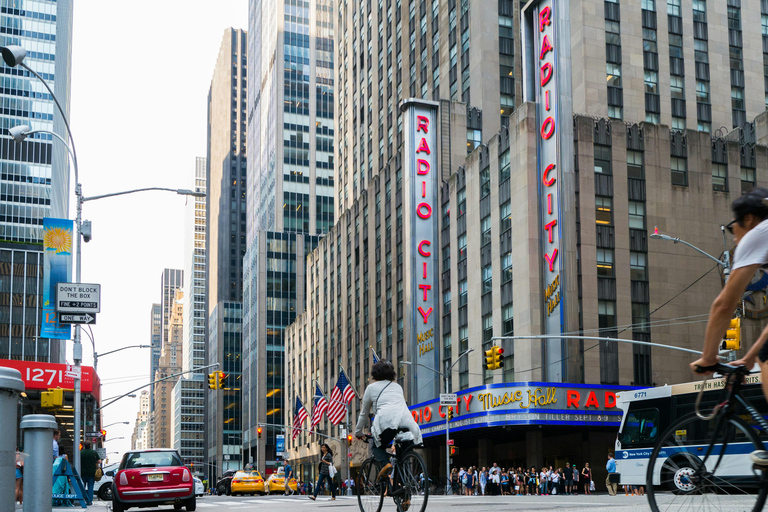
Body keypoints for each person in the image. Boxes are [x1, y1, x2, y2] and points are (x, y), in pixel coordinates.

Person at [688, 189, 768, 465]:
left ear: (748, 219)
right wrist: (747, 359)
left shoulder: (759, 233)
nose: (735, 236)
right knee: (764, 354)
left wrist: (709, 358)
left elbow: (723, 305)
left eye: (733, 229)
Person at [354, 360, 422, 480]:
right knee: (403, 459)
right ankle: (405, 496)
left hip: (387, 423)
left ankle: (386, 464)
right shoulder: (397, 387)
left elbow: (364, 413)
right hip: (406, 422)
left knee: (376, 447)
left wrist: (358, 432)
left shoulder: (371, 388)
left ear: (375, 373)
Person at [79, 440, 101, 505]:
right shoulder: (94, 452)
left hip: (83, 472)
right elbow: (99, 461)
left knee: (82, 487)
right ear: (90, 446)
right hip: (92, 472)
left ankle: (82, 500)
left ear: (84, 446)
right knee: (90, 487)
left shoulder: (81, 453)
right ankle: (89, 501)